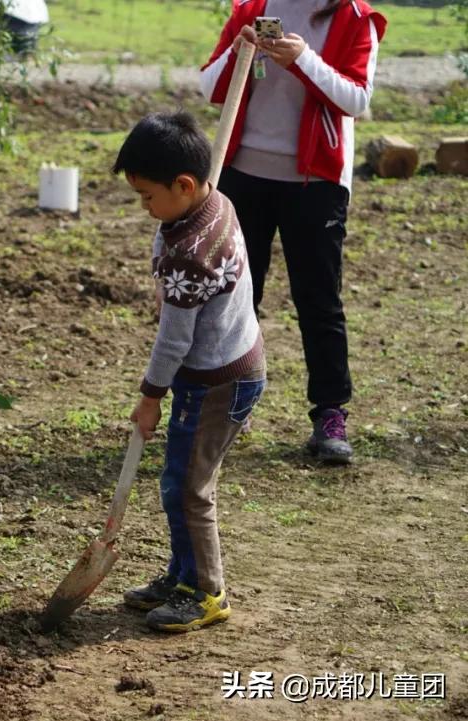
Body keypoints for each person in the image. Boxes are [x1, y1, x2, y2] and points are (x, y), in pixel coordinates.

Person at [200, 0, 387, 464]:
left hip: (317, 182)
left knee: (319, 300)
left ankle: (330, 414)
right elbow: (208, 86)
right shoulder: (253, 9)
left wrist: (303, 60)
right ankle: (226, 407)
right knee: (237, 294)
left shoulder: (355, 18)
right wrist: (240, 48)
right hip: (244, 174)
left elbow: (357, 99)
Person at [113, 112, 266, 632]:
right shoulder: (214, 201)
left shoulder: (190, 256)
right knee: (178, 480)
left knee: (188, 488)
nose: (145, 208)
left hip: (217, 382)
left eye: (148, 196)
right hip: (233, 364)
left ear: (183, 184)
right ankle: (182, 574)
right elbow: (167, 235)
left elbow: (173, 340)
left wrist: (150, 396)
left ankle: (205, 591)